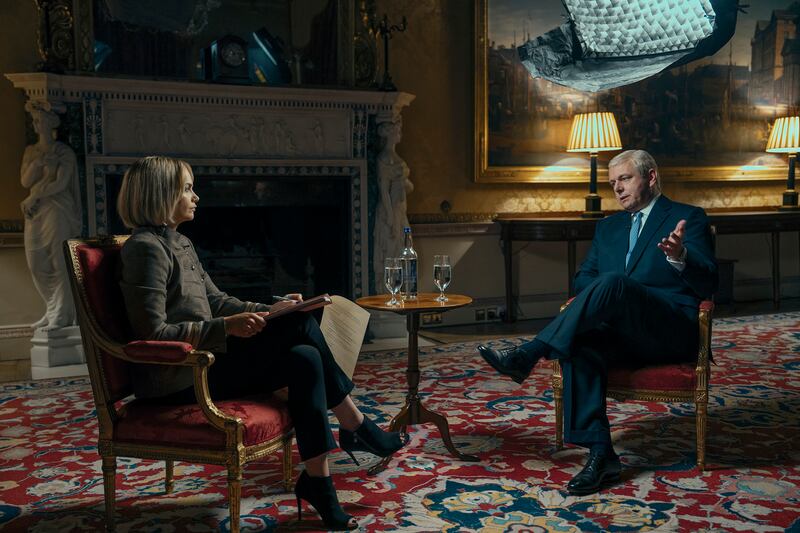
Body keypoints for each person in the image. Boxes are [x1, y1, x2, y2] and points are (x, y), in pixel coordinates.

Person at [117, 156, 407, 530]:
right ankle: (356, 424)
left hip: (206, 362)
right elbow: (151, 333)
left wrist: (272, 309)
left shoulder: (180, 243)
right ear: (160, 194)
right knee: (300, 328)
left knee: (304, 357)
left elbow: (218, 300)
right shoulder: (144, 249)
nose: (197, 197)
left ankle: (319, 483)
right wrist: (227, 327)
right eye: (187, 188)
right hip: (176, 377)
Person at [478, 149, 717, 496]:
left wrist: (681, 256)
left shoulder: (687, 217)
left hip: (670, 330)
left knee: (613, 282)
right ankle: (601, 454)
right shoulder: (609, 227)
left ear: (650, 177)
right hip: (622, 332)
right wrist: (613, 298)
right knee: (579, 340)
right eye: (612, 183)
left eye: (625, 179)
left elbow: (710, 283)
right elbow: (583, 279)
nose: (617, 189)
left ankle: (529, 353)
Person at [20, 101, 82, 330]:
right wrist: (38, 164)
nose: (36, 125)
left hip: (58, 210)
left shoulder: (64, 152)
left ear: (50, 123)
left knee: (59, 260)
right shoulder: (31, 152)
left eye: (39, 121)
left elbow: (61, 183)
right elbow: (25, 181)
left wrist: (36, 195)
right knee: (37, 261)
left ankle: (62, 314)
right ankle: (51, 308)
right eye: (34, 121)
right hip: (36, 212)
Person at [374, 120, 413, 288]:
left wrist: (403, 183)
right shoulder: (384, 159)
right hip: (390, 211)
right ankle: (387, 290)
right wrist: (390, 217)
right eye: (397, 131)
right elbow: (384, 190)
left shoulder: (396, 158)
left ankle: (399, 289)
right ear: (390, 134)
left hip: (400, 209)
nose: (400, 134)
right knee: (391, 249)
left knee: (402, 248)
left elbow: (409, 186)